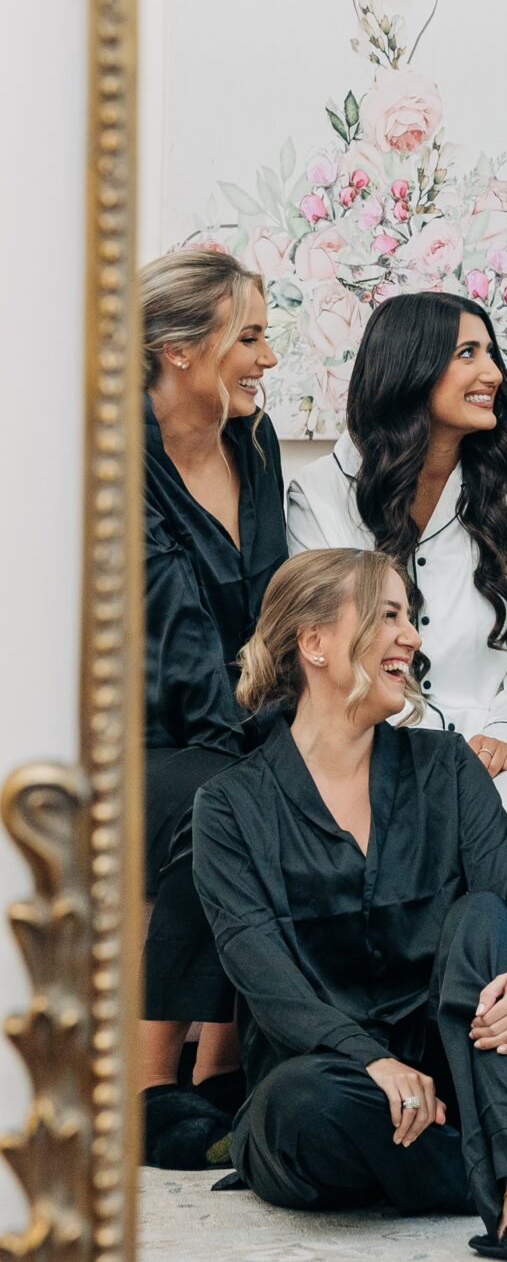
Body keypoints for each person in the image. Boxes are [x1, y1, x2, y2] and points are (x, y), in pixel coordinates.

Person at [192, 547, 507, 1262]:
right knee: (304, 1109)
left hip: (458, 1070)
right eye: (389, 616)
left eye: (412, 618)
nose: (413, 637)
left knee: (488, 920)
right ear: (314, 643)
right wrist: (369, 1059)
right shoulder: (229, 807)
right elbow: (266, 981)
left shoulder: (447, 765)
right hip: (330, 1088)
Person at [286, 292, 507, 907]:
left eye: (491, 353)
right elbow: (342, 658)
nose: (493, 373)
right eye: (467, 354)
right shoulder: (320, 496)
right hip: (379, 754)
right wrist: (433, 753)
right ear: (410, 367)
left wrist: (506, 735)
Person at [141, 247, 287, 1169]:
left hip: (245, 717)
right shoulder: (113, 461)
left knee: (292, 785)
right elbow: (177, 645)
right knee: (224, 805)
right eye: (252, 336)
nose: (269, 359)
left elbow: (283, 606)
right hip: (142, 735)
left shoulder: (256, 443)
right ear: (183, 350)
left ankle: (224, 1074)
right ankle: (152, 1086)